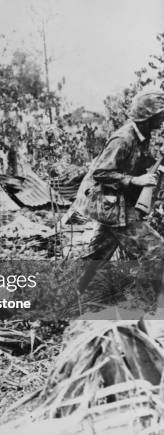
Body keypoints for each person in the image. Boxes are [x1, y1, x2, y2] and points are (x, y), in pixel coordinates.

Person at [77, 90, 164, 309]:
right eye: (160, 115)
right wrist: (135, 181)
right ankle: (146, 307)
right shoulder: (124, 138)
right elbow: (100, 173)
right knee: (156, 251)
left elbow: (137, 163)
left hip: (116, 206)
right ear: (148, 116)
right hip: (112, 206)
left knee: (94, 259)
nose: (162, 119)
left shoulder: (140, 137)